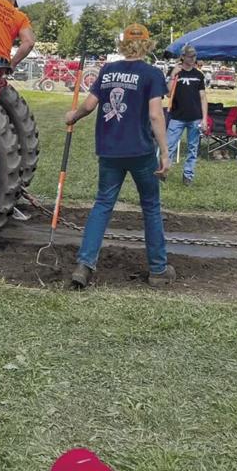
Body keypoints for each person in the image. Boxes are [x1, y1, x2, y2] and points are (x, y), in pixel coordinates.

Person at [64, 23, 173, 289]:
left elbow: (89, 105)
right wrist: (166, 153)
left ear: (123, 44)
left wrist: (73, 116)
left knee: (102, 205)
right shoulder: (152, 74)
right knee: (150, 207)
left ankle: (84, 264)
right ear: (147, 45)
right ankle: (158, 270)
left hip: (110, 151)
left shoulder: (108, 70)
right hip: (140, 151)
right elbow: (156, 114)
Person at [166, 45, 208, 181]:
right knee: (169, 146)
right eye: (189, 56)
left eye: (194, 56)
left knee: (192, 148)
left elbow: (203, 97)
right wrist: (173, 75)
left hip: (195, 118)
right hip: (176, 117)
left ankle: (188, 175)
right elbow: (167, 93)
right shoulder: (174, 72)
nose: (192, 58)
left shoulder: (198, 75)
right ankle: (163, 172)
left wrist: (205, 118)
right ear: (183, 56)